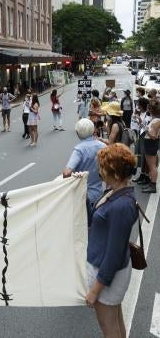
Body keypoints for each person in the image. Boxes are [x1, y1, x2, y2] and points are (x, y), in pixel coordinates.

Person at [85, 143, 138, 338]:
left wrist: (95, 290)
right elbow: (95, 218)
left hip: (106, 274)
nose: (99, 171)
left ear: (115, 174)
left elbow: (114, 254)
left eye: (102, 168)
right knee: (115, 323)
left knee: (109, 328)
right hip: (104, 269)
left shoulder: (122, 206)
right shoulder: (114, 192)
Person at [63, 119, 106, 221]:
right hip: (100, 195)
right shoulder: (103, 146)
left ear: (78, 133)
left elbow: (66, 173)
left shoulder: (79, 149)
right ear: (93, 130)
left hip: (83, 196)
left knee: (84, 226)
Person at [132, 97, 151, 186]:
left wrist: (139, 120)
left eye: (139, 104)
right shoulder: (141, 112)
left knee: (144, 156)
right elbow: (139, 125)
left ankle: (146, 176)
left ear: (142, 105)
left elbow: (147, 128)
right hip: (140, 135)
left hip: (146, 137)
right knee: (140, 155)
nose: (137, 105)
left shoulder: (148, 114)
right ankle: (142, 175)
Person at [142, 100, 160, 193]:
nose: (148, 110)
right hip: (149, 143)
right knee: (150, 165)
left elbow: (153, 136)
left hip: (151, 143)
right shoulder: (155, 119)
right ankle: (151, 183)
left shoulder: (156, 121)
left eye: (149, 108)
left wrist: (145, 129)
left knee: (152, 166)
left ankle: (153, 186)